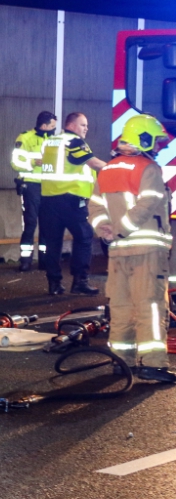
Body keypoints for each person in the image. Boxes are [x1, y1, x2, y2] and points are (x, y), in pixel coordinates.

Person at [87, 114, 175, 382]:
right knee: (150, 306)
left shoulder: (108, 169)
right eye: (156, 142)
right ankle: (153, 364)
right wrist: (122, 228)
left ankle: (121, 361)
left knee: (122, 306)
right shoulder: (148, 169)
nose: (159, 147)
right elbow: (148, 204)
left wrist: (106, 230)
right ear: (144, 139)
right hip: (147, 251)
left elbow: (94, 205)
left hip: (117, 252)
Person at [38, 112, 106, 296]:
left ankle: (54, 284)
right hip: (71, 199)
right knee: (84, 237)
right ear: (73, 125)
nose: (86, 129)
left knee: (53, 243)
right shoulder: (74, 142)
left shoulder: (51, 141)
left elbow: (40, 161)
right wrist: (116, 169)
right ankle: (80, 281)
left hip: (48, 199)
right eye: (83, 125)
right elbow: (93, 162)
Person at [12, 111, 57, 271]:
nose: (54, 130)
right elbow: (16, 162)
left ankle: (44, 260)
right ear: (44, 125)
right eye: (52, 126)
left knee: (47, 224)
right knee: (30, 223)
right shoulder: (25, 138)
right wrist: (33, 162)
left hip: (49, 186)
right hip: (30, 185)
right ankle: (26, 260)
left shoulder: (53, 140)